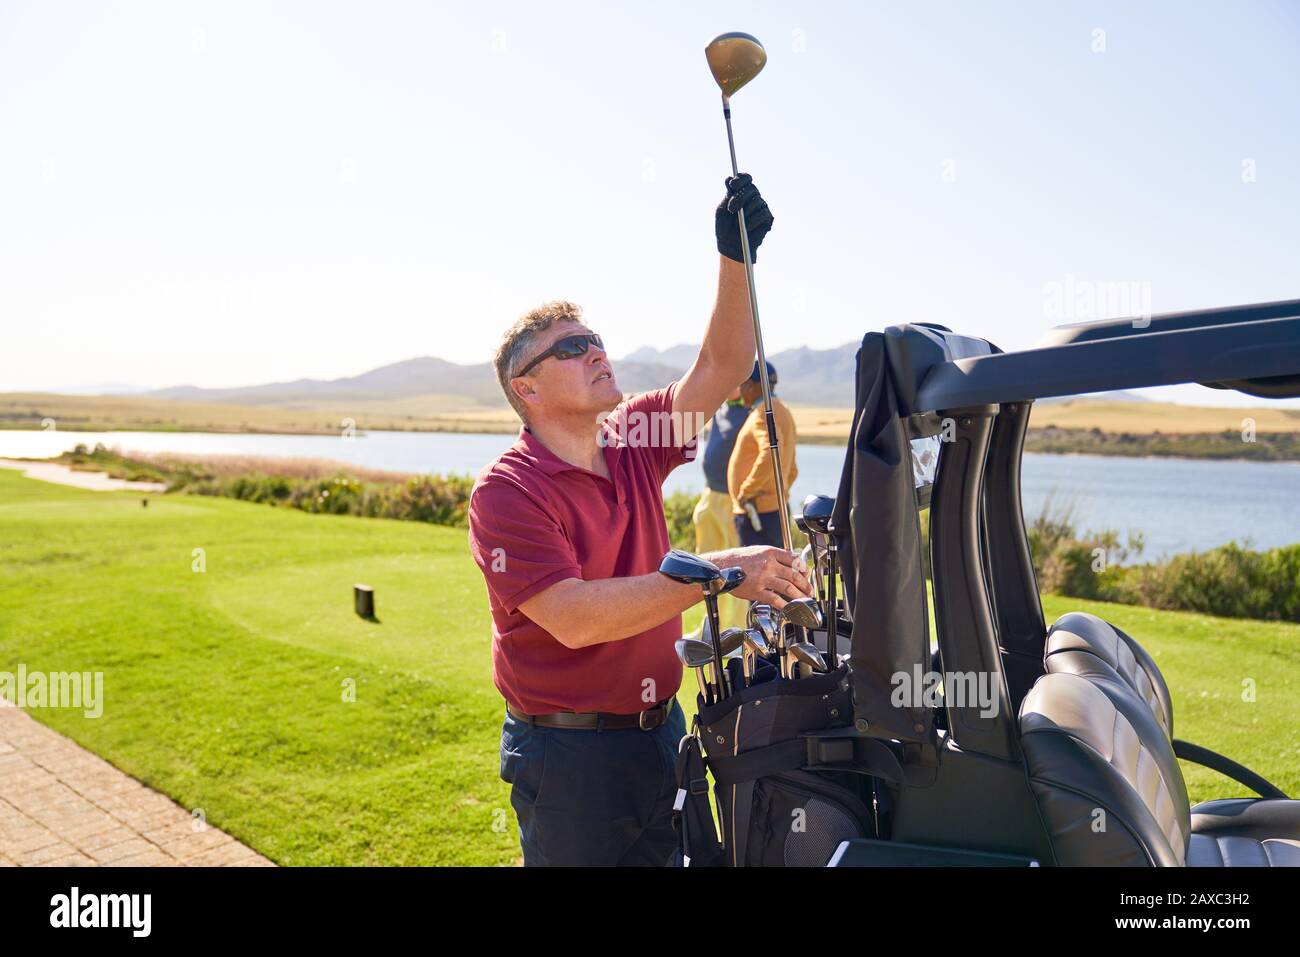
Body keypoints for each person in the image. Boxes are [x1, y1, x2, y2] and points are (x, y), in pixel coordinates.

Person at [466, 174, 813, 867]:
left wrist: (734, 256)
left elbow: (721, 365)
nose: (596, 349)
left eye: (592, 337)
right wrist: (717, 573)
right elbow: (575, 616)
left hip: (663, 730)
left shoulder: (635, 436)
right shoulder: (507, 492)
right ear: (525, 388)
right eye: (570, 347)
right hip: (569, 757)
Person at [686, 386, 751, 634]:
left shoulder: (751, 412)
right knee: (707, 566)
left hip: (733, 501)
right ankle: (713, 627)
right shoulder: (720, 407)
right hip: (710, 496)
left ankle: (738, 630)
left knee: (736, 567)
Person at [727, 360, 798, 548]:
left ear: (750, 385)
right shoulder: (782, 410)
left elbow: (770, 452)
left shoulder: (763, 412)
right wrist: (778, 493)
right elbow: (792, 469)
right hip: (772, 509)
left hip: (757, 512)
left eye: (742, 384)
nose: (740, 389)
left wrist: (746, 492)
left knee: (757, 575)